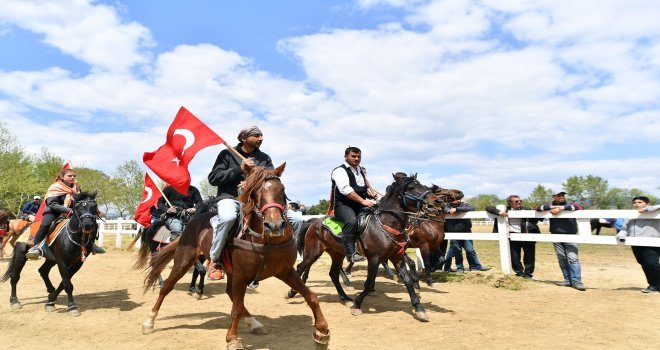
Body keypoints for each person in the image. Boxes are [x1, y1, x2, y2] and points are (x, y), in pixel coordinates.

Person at [207, 126, 273, 280]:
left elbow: (272, 176)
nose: (261, 138)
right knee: (229, 217)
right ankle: (215, 260)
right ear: (244, 138)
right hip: (230, 198)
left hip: (255, 201)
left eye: (262, 135)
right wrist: (238, 169)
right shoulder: (227, 154)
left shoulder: (265, 158)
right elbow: (213, 178)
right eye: (257, 135)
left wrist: (252, 182)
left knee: (286, 218)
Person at [330, 146, 378, 263]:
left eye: (358, 156)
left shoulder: (361, 170)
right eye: (353, 156)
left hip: (359, 204)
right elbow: (346, 190)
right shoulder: (339, 171)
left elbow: (361, 188)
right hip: (343, 205)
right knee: (351, 221)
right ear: (346, 157)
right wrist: (363, 201)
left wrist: (371, 195)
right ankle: (351, 253)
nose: (356, 159)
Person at [535, 191, 585, 291]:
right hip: (556, 235)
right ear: (553, 197)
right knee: (561, 258)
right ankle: (567, 280)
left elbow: (580, 208)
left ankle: (577, 282)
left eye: (563, 195)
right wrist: (551, 208)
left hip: (570, 235)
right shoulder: (550, 205)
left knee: (573, 258)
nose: (562, 197)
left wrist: (560, 208)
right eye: (559, 195)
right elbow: (537, 208)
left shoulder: (570, 204)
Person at [26, 168, 80, 260]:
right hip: (53, 212)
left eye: (74, 176)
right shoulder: (55, 187)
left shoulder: (76, 188)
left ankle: (90, 244)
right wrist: (69, 210)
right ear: (62, 177)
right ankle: (35, 248)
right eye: (70, 176)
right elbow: (52, 204)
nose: (72, 177)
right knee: (45, 225)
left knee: (86, 222)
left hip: (72, 212)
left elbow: (81, 201)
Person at [486, 195, 541, 279]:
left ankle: (528, 274)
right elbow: (488, 207)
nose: (519, 202)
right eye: (516, 201)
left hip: (526, 234)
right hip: (512, 236)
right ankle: (519, 273)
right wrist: (498, 212)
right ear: (510, 203)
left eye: (520, 201)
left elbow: (537, 217)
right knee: (514, 256)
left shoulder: (526, 209)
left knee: (529, 256)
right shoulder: (504, 209)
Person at [615, 196, 660, 293]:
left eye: (640, 202)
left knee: (652, 264)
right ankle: (653, 285)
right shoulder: (630, 215)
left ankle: (656, 285)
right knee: (644, 263)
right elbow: (624, 228)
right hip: (635, 243)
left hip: (651, 242)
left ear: (647, 204)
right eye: (635, 202)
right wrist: (621, 235)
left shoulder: (655, 213)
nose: (637, 204)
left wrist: (648, 209)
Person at [443, 199, 491, 273]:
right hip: (454, 233)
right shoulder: (447, 206)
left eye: (458, 199)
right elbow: (445, 210)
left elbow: (471, 208)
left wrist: (457, 209)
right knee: (457, 251)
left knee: (470, 250)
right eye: (454, 199)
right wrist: (449, 211)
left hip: (466, 232)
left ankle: (474, 266)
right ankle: (459, 268)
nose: (457, 200)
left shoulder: (464, 205)